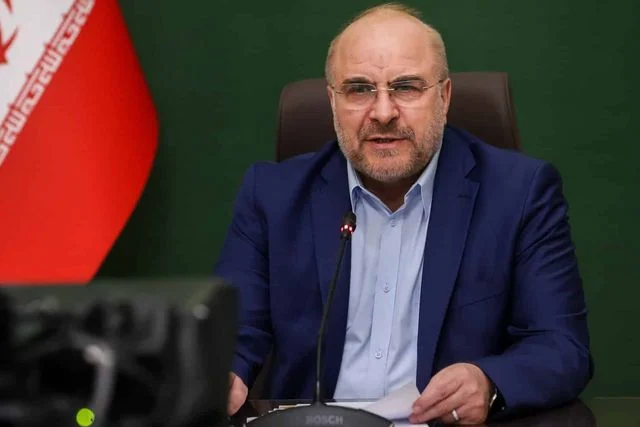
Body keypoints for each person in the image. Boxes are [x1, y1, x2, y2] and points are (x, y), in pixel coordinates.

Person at [216, 3, 593, 424]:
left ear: (444, 97)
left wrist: (488, 381)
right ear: (332, 101)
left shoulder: (519, 193)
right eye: (359, 89)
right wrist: (223, 374)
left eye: (407, 87)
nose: (383, 113)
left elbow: (561, 346)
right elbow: (232, 334)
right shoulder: (272, 195)